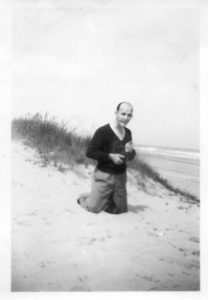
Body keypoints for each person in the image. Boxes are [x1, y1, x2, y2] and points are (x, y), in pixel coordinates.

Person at [77, 102, 136, 214]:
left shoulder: (128, 132)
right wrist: (110, 156)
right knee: (93, 208)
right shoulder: (103, 131)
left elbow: (130, 156)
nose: (126, 118)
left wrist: (131, 151)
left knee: (120, 210)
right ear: (116, 113)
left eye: (129, 115)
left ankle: (107, 198)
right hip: (104, 175)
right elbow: (90, 152)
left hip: (121, 176)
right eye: (123, 114)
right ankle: (85, 197)